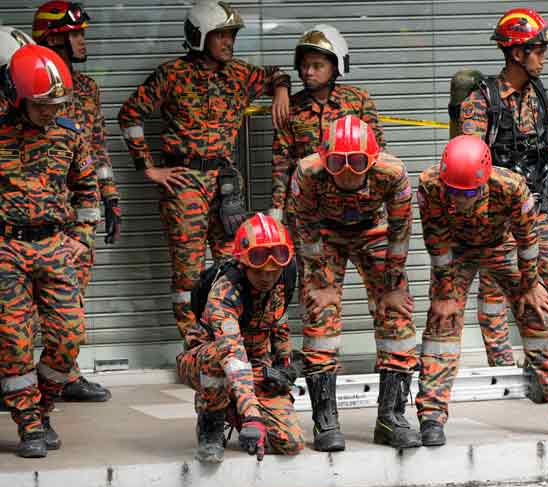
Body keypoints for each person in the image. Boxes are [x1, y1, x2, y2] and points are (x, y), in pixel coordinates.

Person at [119, 0, 290, 339]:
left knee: (234, 263)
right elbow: (130, 115)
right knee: (188, 272)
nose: (229, 42)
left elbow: (275, 74)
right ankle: (195, 345)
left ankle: (230, 338)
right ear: (199, 37)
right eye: (221, 36)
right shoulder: (172, 75)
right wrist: (149, 169)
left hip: (225, 183)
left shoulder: (239, 73)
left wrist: (281, 90)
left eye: (231, 35)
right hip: (185, 184)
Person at [415, 135, 548, 445]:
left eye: (469, 192)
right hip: (456, 250)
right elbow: (436, 242)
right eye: (454, 192)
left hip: (503, 245)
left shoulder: (511, 187)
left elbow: (528, 240)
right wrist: (445, 291)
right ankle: (432, 416)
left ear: (483, 182)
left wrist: (529, 285)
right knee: (441, 321)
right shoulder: (430, 185)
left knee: (539, 314)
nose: (460, 200)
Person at [289, 115, 420, 452]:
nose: (347, 171)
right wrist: (318, 280)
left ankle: (391, 417)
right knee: (320, 314)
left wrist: (392, 282)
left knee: (396, 314)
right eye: (337, 162)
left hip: (373, 232)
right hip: (325, 236)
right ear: (324, 159)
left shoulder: (393, 173)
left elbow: (400, 230)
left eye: (357, 162)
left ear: (372, 161)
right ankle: (325, 422)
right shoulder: (307, 172)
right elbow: (303, 226)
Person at [0, 44, 100, 458]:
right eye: (42, 103)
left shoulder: (69, 134)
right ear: (18, 98)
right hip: (6, 248)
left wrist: (82, 237)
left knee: (68, 336)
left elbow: (87, 191)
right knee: (14, 341)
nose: (49, 110)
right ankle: (28, 426)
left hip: (56, 246)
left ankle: (43, 409)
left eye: (57, 102)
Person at [461, 7, 548, 366]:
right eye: (538, 50)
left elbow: (547, 147)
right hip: (500, 219)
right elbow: (469, 166)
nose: (544, 57)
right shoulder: (481, 102)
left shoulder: (538, 92)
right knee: (495, 293)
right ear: (516, 53)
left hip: (539, 209)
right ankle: (502, 368)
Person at [30, 1, 117, 403]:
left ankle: (64, 374)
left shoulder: (86, 89)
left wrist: (110, 196)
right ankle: (11, 373)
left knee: (71, 294)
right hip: (28, 209)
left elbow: (96, 147)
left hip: (75, 211)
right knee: (17, 299)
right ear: (52, 37)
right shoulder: (21, 88)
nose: (83, 41)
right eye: (75, 34)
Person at [177, 213, 304, 463]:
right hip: (209, 360)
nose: (267, 277)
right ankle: (211, 424)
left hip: (255, 365)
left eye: (273, 270)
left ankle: (233, 406)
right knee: (218, 361)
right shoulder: (224, 293)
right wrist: (252, 415)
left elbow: (279, 320)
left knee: (290, 442)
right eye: (259, 270)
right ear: (243, 263)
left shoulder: (283, 278)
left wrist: (284, 367)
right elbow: (233, 356)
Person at [271, 24, 383, 224]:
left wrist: (380, 199)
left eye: (317, 65)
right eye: (304, 65)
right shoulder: (291, 107)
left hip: (357, 206)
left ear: (336, 66)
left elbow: (378, 154)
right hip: (307, 209)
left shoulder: (358, 101)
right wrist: (277, 208)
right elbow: (282, 162)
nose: (308, 72)